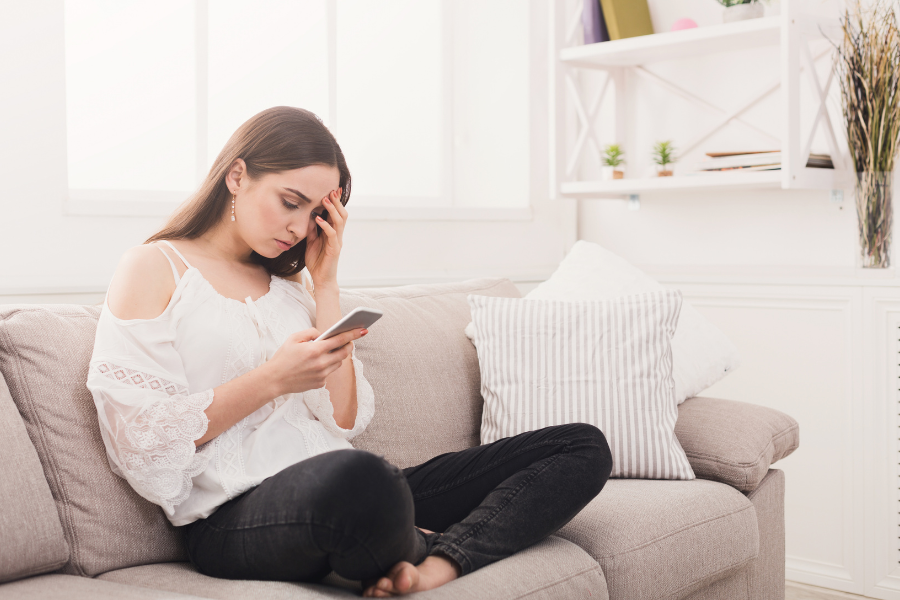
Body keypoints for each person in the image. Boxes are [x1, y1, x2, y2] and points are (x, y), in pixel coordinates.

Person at [86, 106, 613, 598]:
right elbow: (139, 441)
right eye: (290, 202)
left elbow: (342, 418)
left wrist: (326, 282)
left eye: (315, 213)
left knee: (580, 446)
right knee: (362, 480)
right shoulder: (153, 268)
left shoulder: (291, 291)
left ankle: (439, 560)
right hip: (235, 515)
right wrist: (272, 379)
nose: (298, 227)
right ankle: (415, 536)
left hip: (351, 489)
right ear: (238, 176)